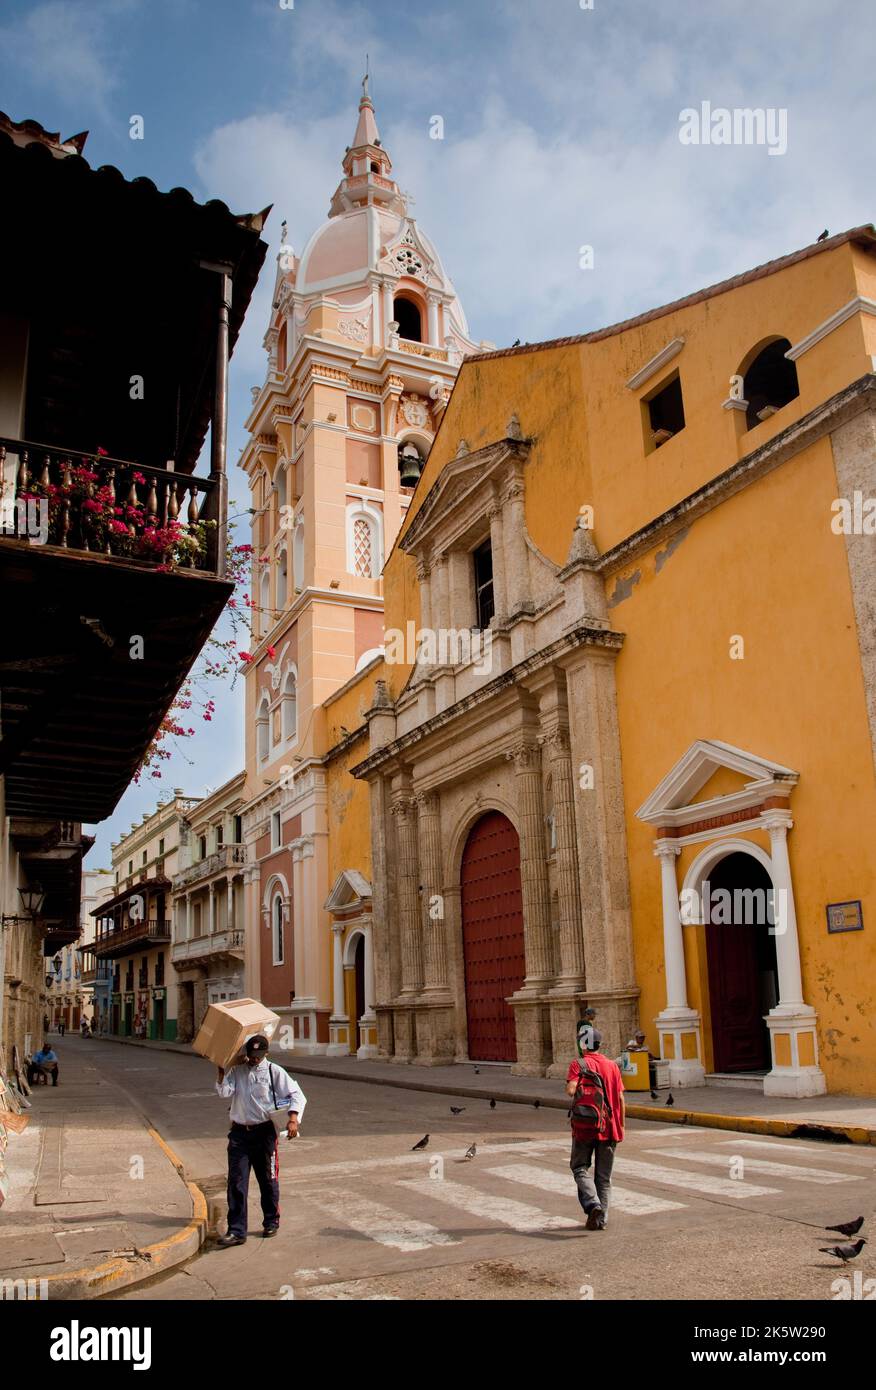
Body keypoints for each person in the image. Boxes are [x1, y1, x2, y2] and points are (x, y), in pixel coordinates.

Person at [215, 1034, 307, 1247]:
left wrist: (293, 1119)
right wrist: (221, 1072)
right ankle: (236, 1230)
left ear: (266, 1053)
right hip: (239, 1134)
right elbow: (224, 1092)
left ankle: (271, 1221)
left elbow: (297, 1095)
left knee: (268, 1179)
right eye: (251, 1055)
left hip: (264, 1133)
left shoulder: (274, 1072)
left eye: (257, 1055)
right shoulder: (237, 1070)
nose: (254, 1059)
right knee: (236, 1182)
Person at [566, 1022, 624, 1231]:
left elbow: (571, 1091)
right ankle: (601, 1220)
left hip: (583, 1126)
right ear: (599, 1044)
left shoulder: (578, 1064)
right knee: (604, 1178)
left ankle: (593, 1204)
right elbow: (620, 1098)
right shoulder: (612, 1066)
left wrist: (574, 1085)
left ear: (583, 1044)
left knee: (579, 1167)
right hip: (608, 1127)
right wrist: (621, 1126)